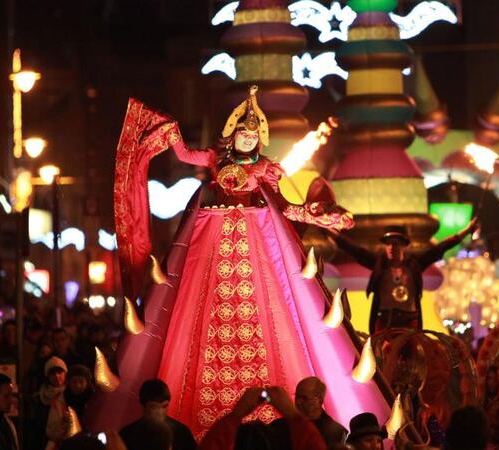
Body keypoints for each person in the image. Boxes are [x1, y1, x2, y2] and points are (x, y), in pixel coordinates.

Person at [87, 85, 388, 436]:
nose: (248, 139)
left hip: (256, 246)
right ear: (233, 135)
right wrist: (171, 133)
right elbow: (184, 154)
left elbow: (283, 207)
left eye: (253, 135)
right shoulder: (214, 159)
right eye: (243, 133)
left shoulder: (265, 169)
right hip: (211, 245)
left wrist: (314, 214)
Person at [330, 221, 477, 332]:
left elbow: (440, 248)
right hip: (385, 319)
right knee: (380, 356)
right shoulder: (379, 264)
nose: (391, 248)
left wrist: (466, 231)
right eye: (388, 244)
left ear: (403, 246)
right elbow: (355, 251)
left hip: (409, 320)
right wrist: (329, 232)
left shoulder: (414, 265)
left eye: (395, 244)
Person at [199, 386, 326, 450]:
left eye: (304, 398)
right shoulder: (280, 426)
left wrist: (235, 415)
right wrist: (293, 415)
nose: (299, 402)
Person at [271, 377, 346, 449]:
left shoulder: (335, 432)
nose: (298, 402)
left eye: (304, 398)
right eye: (297, 396)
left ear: (319, 401)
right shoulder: (278, 426)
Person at [119, 379, 194, 450]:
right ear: (143, 406)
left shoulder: (182, 433)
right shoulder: (127, 434)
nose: (160, 413)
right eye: (153, 407)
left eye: (164, 406)